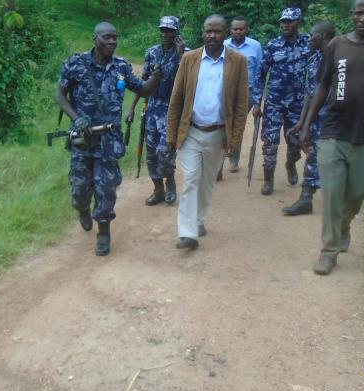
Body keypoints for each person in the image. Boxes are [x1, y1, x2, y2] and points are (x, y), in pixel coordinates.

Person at [300, 0, 364, 275]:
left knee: (358, 192)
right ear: (352, 15)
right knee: (331, 193)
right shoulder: (336, 46)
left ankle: (344, 225)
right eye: (358, 12)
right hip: (333, 131)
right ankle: (328, 251)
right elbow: (321, 87)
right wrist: (307, 125)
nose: (363, 17)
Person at [55, 22, 161, 256]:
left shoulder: (121, 67)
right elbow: (60, 95)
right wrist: (76, 118)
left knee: (106, 189)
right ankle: (82, 209)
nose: (112, 41)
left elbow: (143, 90)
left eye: (115, 38)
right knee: (79, 189)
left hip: (108, 141)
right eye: (107, 37)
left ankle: (104, 232)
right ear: (94, 39)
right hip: (82, 139)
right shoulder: (76, 64)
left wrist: (156, 76)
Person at [167, 14, 248, 250]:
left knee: (207, 181)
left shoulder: (238, 61)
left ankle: (200, 220)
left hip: (217, 133)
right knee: (191, 178)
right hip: (190, 131)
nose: (212, 36)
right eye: (208, 31)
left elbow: (241, 104)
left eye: (217, 31)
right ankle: (187, 233)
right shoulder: (189, 59)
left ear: (226, 33)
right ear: (202, 33)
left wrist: (235, 139)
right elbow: (177, 99)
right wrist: (171, 135)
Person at [126, 16, 187, 206]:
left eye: (169, 30)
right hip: (152, 108)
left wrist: (179, 56)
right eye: (162, 30)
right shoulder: (151, 52)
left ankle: (170, 184)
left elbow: (185, 82)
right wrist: (132, 107)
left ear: (177, 33)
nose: (165, 34)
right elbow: (143, 82)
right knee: (151, 154)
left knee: (165, 152)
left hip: (172, 110)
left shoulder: (186, 54)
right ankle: (158, 189)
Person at [251, 7, 311, 195]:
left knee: (295, 144)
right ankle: (268, 180)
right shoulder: (273, 45)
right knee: (270, 142)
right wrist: (256, 102)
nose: (285, 24)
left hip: (297, 104)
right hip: (274, 103)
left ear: (299, 21)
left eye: (290, 21)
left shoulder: (308, 43)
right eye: (283, 21)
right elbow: (260, 75)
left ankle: (291, 163)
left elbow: (318, 70)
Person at [282, 21, 336, 216]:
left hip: (332, 118)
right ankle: (307, 198)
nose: (308, 38)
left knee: (318, 156)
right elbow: (309, 93)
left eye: (312, 35)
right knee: (314, 154)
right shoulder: (314, 58)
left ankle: (309, 198)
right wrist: (302, 122)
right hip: (315, 117)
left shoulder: (339, 58)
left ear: (321, 36)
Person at [223, 15, 262, 173]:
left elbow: (260, 73)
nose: (238, 31)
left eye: (241, 29)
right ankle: (218, 161)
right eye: (235, 29)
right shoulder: (223, 44)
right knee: (223, 125)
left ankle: (234, 159)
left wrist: (258, 101)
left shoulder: (255, 46)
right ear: (230, 30)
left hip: (247, 93)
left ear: (246, 29)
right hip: (225, 92)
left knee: (237, 125)